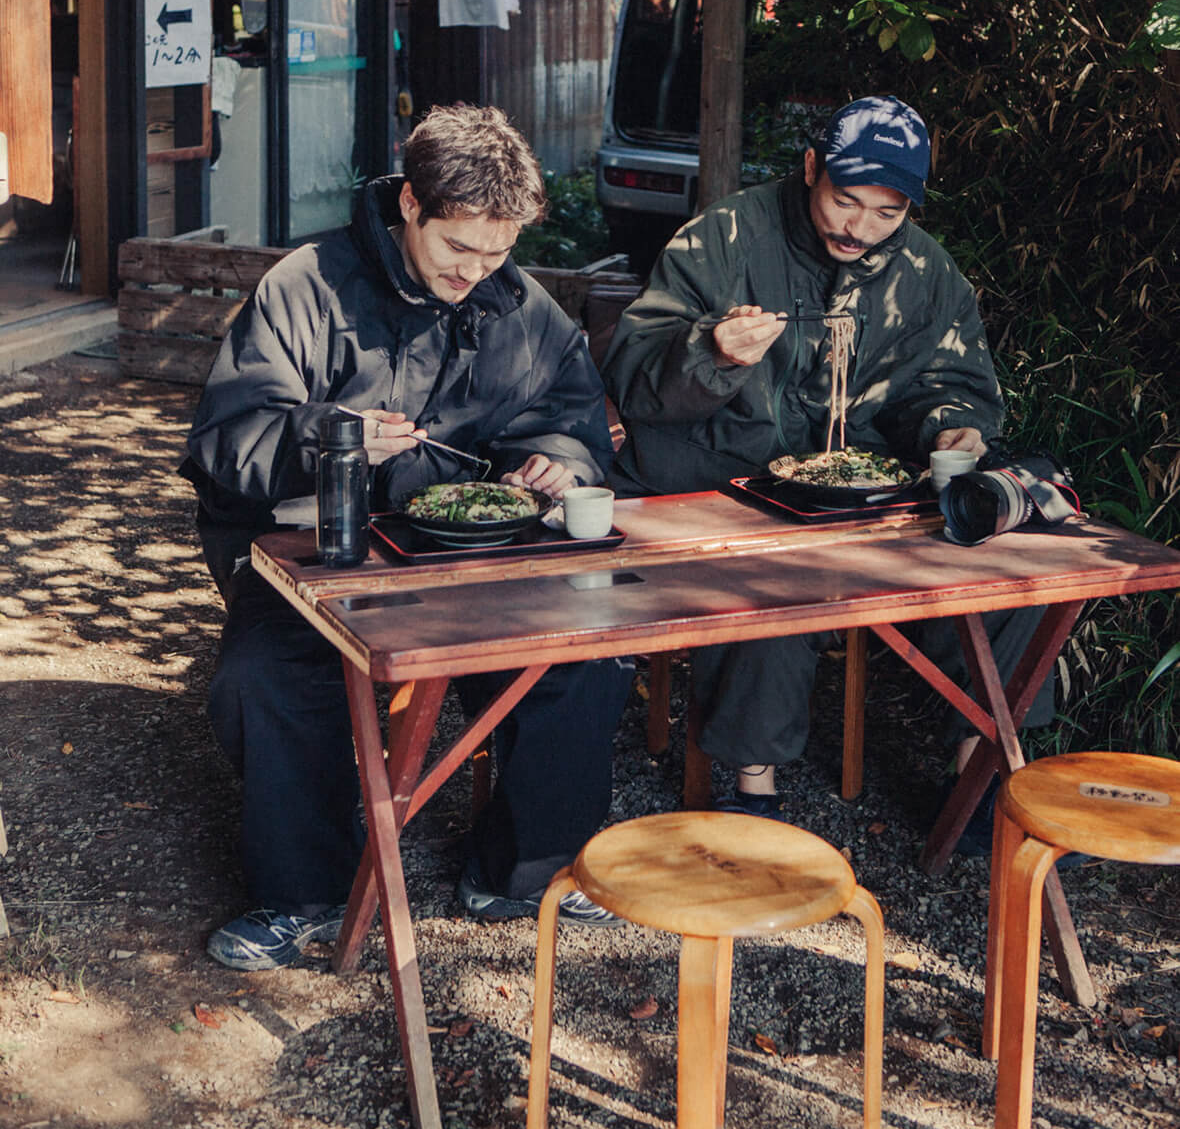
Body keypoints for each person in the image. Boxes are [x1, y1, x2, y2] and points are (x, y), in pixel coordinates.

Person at [183, 104, 631, 970]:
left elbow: (568, 422)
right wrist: (332, 437)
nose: (477, 272)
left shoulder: (521, 305)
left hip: (473, 555)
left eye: (499, 252)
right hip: (321, 551)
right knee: (264, 676)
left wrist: (556, 464)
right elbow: (223, 445)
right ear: (412, 207)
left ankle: (523, 871)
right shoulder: (306, 284)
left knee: (583, 660)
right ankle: (306, 893)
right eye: (459, 248)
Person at [602, 94, 1053, 833]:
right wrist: (711, 354)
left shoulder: (924, 270)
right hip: (723, 480)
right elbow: (632, 371)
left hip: (862, 493)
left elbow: (953, 383)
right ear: (811, 167)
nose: (859, 227)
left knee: (1006, 578)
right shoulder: (726, 236)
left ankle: (977, 772)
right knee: (777, 581)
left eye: (886, 213)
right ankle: (752, 785)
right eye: (845, 201)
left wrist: (953, 431)